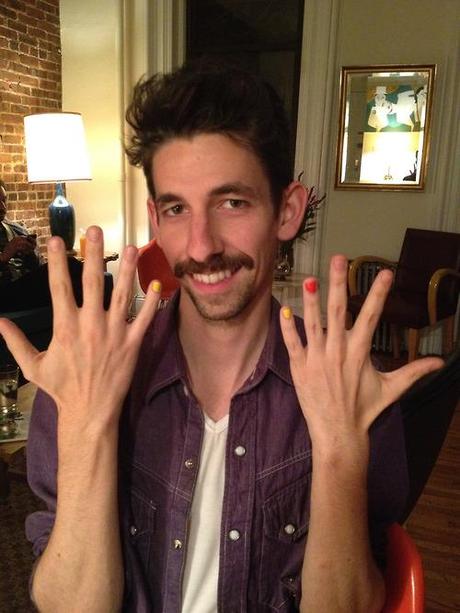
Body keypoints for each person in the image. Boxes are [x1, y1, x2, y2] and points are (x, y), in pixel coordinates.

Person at [0, 60, 442, 612]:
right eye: (177, 208)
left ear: (286, 210)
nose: (202, 246)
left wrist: (337, 453)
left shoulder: (349, 388)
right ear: (154, 220)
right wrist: (88, 429)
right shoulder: (83, 377)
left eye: (232, 202)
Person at [0, 180, 84, 312]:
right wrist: (4, 257)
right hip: (4, 294)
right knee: (69, 265)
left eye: (4, 201)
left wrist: (30, 253)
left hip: (24, 288)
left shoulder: (17, 230)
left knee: (72, 269)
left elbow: (38, 267)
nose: (2, 207)